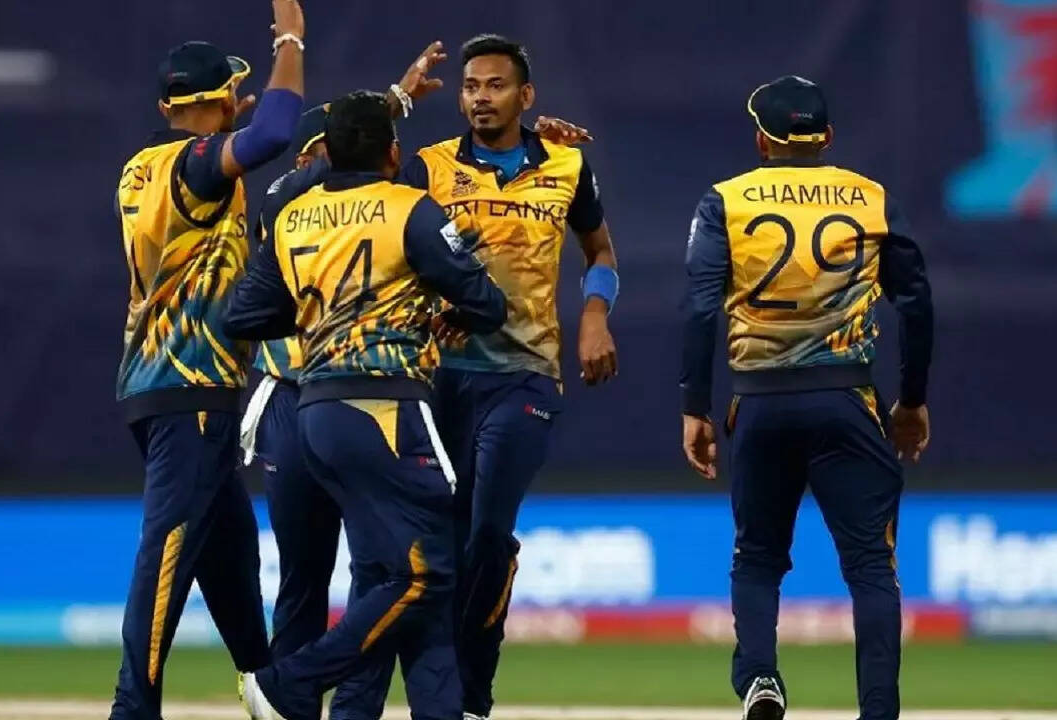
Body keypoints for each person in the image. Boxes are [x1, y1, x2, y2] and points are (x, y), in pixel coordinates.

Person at [224, 90, 507, 720]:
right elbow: (487, 303)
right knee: (427, 573)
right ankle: (288, 682)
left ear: (326, 153)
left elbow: (243, 315)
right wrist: (439, 306)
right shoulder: (410, 208)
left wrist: (320, 312)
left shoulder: (294, 217)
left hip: (314, 411)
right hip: (387, 407)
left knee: (388, 573)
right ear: (393, 153)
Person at [679, 75, 934, 720]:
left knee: (758, 557)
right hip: (847, 401)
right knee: (871, 564)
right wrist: (912, 400)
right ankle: (879, 710)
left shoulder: (725, 201)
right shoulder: (870, 198)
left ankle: (761, 678)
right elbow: (916, 303)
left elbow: (700, 310)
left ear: (761, 139)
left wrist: (695, 407)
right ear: (828, 137)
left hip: (759, 403)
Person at [394, 34, 620, 720]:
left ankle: (469, 693)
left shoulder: (567, 164)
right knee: (441, 539)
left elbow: (600, 251)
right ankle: (439, 693)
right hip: (438, 378)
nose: (480, 98)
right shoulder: (429, 167)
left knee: (489, 531)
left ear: (526, 96)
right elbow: (388, 244)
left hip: (525, 374)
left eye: (495, 86)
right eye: (470, 87)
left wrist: (595, 315)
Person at [108, 2, 306, 717]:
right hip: (190, 388)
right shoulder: (196, 167)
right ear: (219, 99)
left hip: (159, 384)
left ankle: (267, 688)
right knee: (168, 555)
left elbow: (232, 148)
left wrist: (225, 132)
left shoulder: (143, 166)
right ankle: (132, 708)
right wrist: (291, 39)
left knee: (229, 551)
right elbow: (276, 132)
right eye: (231, 93)